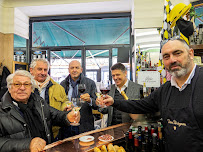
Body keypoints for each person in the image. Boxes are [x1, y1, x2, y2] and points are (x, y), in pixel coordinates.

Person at [101, 38, 203, 152]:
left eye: (177, 53)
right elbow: (140, 105)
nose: (172, 60)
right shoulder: (165, 89)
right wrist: (114, 102)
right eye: (166, 56)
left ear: (191, 54)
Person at [0, 70, 79, 152]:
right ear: (9, 88)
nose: (22, 88)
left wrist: (67, 117)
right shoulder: (2, 110)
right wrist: (27, 144)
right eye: (17, 84)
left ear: (31, 88)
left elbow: (55, 115)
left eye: (26, 84)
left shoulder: (39, 102)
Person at [30, 58, 69, 140]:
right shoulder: (25, 87)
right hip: (31, 134)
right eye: (40, 69)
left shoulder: (58, 87)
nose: (43, 73)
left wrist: (65, 107)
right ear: (31, 70)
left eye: (45, 70)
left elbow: (65, 101)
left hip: (54, 132)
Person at [60, 60, 97, 137]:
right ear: (68, 70)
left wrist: (90, 100)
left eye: (77, 67)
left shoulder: (90, 83)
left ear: (81, 69)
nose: (74, 70)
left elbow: (97, 105)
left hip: (84, 125)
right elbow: (60, 103)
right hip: (67, 125)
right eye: (72, 68)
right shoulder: (62, 84)